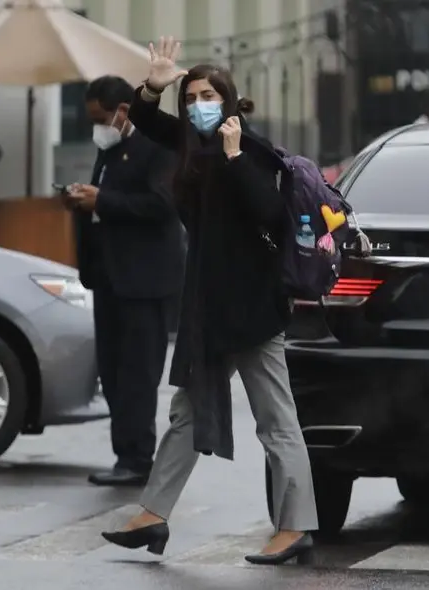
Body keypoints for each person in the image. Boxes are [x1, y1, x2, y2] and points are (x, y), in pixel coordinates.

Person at [99, 37, 318, 565]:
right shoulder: (190, 148)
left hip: (252, 313)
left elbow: (268, 213)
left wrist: (236, 155)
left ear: (228, 99)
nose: (199, 103)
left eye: (209, 94)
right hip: (207, 312)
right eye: (192, 95)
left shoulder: (253, 151)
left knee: (276, 421)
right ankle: (153, 515)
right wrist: (154, 83)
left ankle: (296, 526)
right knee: (186, 416)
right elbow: (149, 122)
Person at [67, 75, 184, 487]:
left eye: (101, 118)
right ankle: (124, 453)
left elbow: (162, 204)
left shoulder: (157, 146)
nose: (96, 126)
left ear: (122, 112)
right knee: (113, 372)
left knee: (138, 373)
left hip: (146, 280)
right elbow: (105, 196)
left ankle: (138, 458)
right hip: (109, 278)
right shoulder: (109, 148)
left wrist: (101, 200)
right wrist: (83, 198)